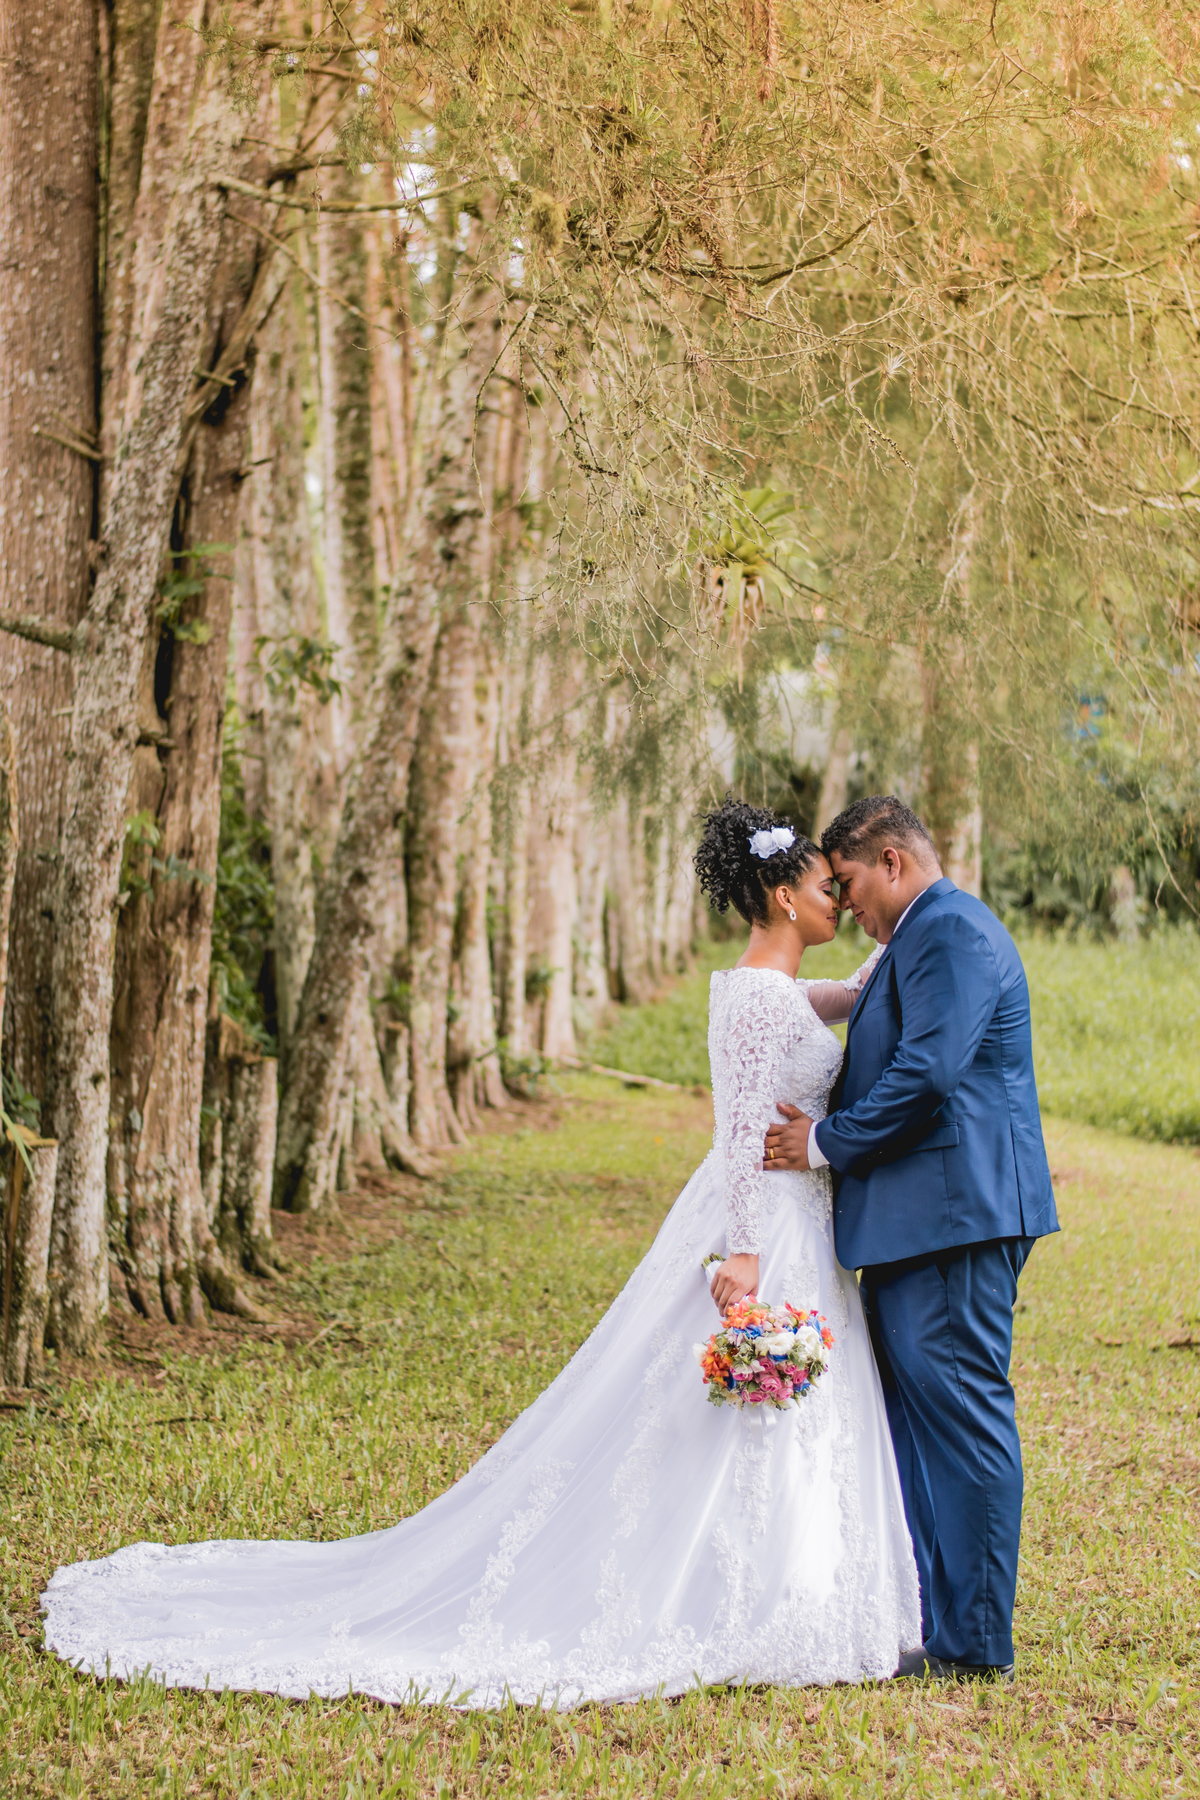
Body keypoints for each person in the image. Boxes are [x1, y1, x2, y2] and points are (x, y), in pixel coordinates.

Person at [42, 797, 920, 1707]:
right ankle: (732, 1595)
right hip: (762, 1224)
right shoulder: (749, 998)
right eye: (827, 887)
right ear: (782, 896)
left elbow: (845, 999)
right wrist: (740, 1252)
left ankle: (790, 1586)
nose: (838, 901)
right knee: (737, 1403)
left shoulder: (773, 993)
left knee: (783, 1407)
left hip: (798, 1222)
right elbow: (737, 1128)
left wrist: (903, 933)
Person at [763, 795, 1058, 1683]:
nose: (845, 902)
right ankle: (938, 1621)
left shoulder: (952, 932)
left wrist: (820, 1142)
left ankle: (973, 1645)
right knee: (920, 1428)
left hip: (955, 1217)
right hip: (913, 1220)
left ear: (891, 861)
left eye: (848, 882)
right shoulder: (911, 940)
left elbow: (928, 1071)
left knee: (963, 1420)